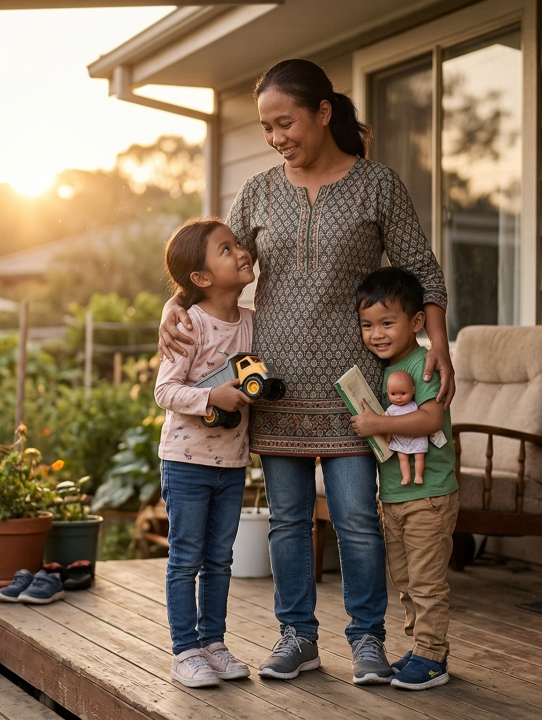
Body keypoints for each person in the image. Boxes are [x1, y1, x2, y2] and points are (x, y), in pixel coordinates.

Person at [157, 58, 453, 685]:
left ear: (322, 113)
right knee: (290, 521)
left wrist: (439, 348)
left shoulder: (377, 185)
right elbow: (214, 265)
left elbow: (422, 270)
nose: (276, 137)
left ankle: (367, 642)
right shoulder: (261, 191)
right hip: (274, 384)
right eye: (266, 127)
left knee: (355, 519)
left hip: (355, 390)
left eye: (285, 122)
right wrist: (173, 305)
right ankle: (297, 637)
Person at [153, 217, 257, 688]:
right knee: (186, 558)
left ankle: (213, 643)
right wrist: (213, 398)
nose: (241, 252)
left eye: (238, 245)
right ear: (201, 278)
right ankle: (185, 651)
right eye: (225, 249)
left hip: (232, 464)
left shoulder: (253, 324)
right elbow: (165, 391)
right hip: (186, 463)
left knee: (220, 559)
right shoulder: (187, 325)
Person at [348, 267, 457, 691]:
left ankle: (432, 657)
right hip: (393, 497)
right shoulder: (382, 368)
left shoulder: (423, 363)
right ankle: (424, 647)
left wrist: (376, 423)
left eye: (387, 323)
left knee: (428, 581)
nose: (376, 333)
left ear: (415, 323)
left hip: (429, 495)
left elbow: (431, 417)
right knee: (406, 581)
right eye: (368, 324)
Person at [383, 370, 426, 485]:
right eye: (393, 394)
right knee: (402, 458)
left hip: (416, 437)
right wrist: (388, 435)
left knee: (419, 457)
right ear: (388, 393)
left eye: (403, 393)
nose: (398, 398)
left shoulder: (414, 405)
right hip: (400, 440)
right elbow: (384, 421)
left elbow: (422, 419)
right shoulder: (391, 409)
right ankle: (406, 476)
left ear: (413, 390)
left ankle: (418, 475)